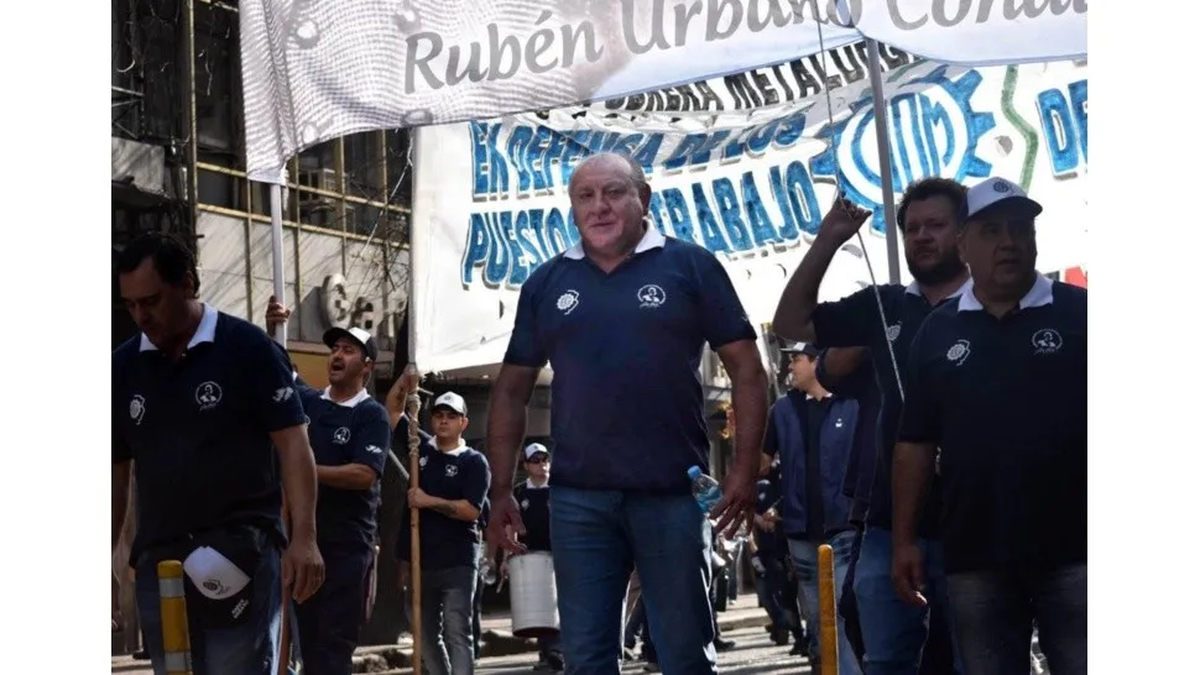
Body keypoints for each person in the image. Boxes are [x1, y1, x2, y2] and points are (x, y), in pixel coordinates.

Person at [484, 151, 768, 675]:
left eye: (614, 192)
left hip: (672, 497)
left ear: (645, 199)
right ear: (572, 209)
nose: (599, 207)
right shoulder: (546, 284)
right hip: (577, 502)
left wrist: (744, 472)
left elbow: (749, 372)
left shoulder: (691, 265)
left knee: (683, 654)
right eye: (585, 197)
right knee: (587, 658)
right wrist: (500, 491)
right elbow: (508, 392)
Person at [772, 179, 970, 675]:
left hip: (973, 522)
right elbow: (791, 322)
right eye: (912, 228)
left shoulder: (990, 303)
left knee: (975, 660)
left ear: (966, 232)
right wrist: (829, 239)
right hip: (887, 523)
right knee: (884, 659)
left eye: (936, 226)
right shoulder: (883, 306)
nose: (922, 236)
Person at [893, 178, 1086, 675]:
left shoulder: (1082, 313)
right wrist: (905, 540)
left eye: (1021, 229)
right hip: (977, 554)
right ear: (964, 244)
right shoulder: (938, 331)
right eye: (993, 230)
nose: (1009, 242)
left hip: (1080, 553)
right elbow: (915, 441)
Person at [112, 232, 324, 675]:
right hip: (159, 562)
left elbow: (294, 444)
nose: (140, 316)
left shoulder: (248, 349)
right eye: (129, 305)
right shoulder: (123, 367)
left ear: (187, 283)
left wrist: (304, 537)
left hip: (239, 552)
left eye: (150, 301)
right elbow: (115, 471)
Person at [264, 301, 392, 675]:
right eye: (334, 348)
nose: (337, 355)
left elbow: (364, 474)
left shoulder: (371, 415)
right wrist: (274, 330)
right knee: (308, 641)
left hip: (346, 548)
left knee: (332, 644)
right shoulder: (308, 402)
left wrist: (305, 472)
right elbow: (279, 373)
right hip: (303, 542)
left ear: (366, 366)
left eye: (348, 350)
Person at [763, 342, 863, 675]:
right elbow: (762, 463)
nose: (790, 366)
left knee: (842, 609)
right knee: (817, 617)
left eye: (797, 360)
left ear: (818, 363)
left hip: (845, 527)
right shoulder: (781, 410)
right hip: (800, 531)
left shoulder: (854, 403)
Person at [396, 392, 491, 675]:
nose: (444, 421)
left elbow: (472, 511)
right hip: (420, 560)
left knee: (457, 631)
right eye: (439, 415)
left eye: (451, 416)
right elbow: (392, 412)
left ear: (464, 422)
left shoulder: (474, 462)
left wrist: (429, 501)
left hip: (458, 561)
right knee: (423, 633)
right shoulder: (420, 451)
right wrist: (406, 383)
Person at [507, 443, 565, 671]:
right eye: (536, 460)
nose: (542, 464)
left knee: (558, 603)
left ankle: (559, 651)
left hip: (558, 554)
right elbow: (510, 524)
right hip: (531, 558)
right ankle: (546, 654)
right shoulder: (520, 492)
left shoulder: (558, 489)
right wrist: (508, 556)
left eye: (545, 459)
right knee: (538, 607)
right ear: (526, 465)